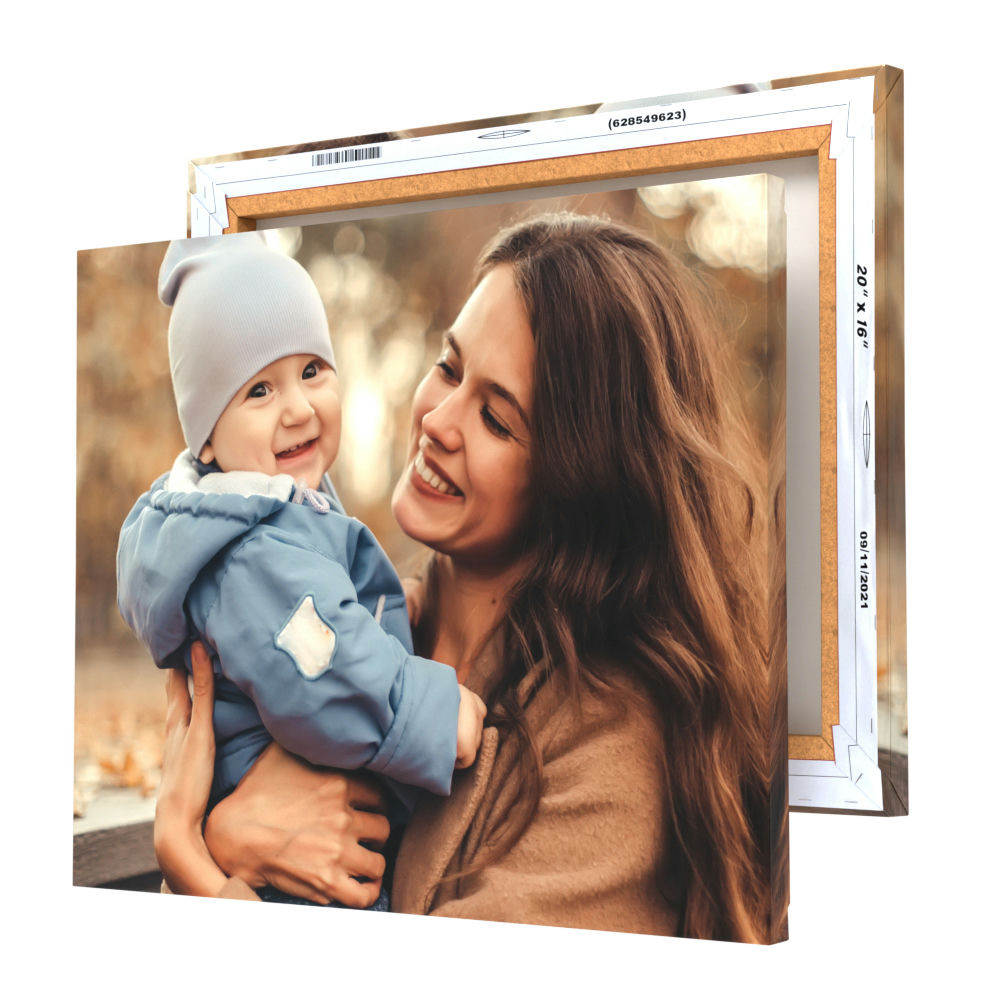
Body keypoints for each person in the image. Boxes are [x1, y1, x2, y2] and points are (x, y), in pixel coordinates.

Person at [153, 213, 788, 942]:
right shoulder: (343, 629)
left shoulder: (607, 754)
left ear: (580, 479)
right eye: (449, 369)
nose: (438, 420)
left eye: (497, 419)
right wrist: (233, 839)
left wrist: (199, 863)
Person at [117, 234, 486, 908]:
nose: (297, 407)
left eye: (312, 370)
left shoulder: (279, 506)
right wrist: (430, 713)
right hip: (289, 853)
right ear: (205, 435)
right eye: (258, 389)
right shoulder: (250, 554)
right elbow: (324, 668)